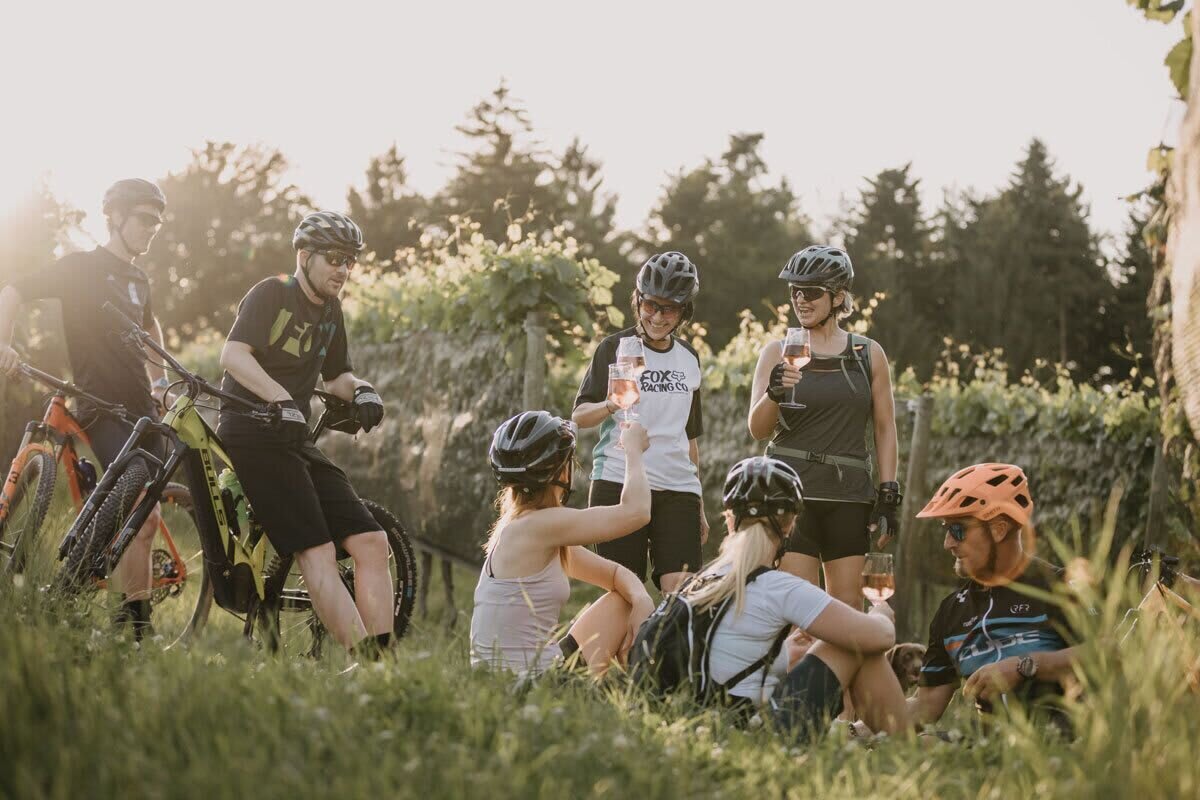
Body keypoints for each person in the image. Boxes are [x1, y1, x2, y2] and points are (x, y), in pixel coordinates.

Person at [0, 178, 171, 638]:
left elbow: (151, 327)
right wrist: (4, 342)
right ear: (115, 217)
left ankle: (126, 616)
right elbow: (13, 289)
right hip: (101, 404)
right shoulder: (81, 268)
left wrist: (161, 382)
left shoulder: (140, 279)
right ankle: (135, 624)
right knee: (140, 508)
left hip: (143, 410)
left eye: (157, 221)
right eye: (143, 219)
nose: (151, 228)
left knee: (148, 517)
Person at [217, 210, 392, 657]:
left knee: (373, 542)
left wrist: (364, 391)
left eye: (349, 261)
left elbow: (337, 377)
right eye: (334, 258)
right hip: (252, 433)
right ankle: (368, 665)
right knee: (317, 553)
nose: (343, 269)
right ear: (304, 255)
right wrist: (278, 398)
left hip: (294, 440)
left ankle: (385, 661)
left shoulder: (331, 312)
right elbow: (233, 354)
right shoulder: (272, 293)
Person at [688, 456, 907, 740]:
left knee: (844, 639)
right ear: (790, 526)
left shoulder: (702, 581)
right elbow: (880, 638)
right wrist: (880, 611)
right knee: (853, 642)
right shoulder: (780, 586)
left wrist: (785, 650)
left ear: (730, 521)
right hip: (758, 735)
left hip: (705, 728)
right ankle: (909, 744)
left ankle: (882, 737)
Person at [748, 245, 901, 610]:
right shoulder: (777, 351)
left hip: (848, 496)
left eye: (812, 291)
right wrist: (774, 392)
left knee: (848, 611)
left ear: (838, 296)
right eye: (795, 291)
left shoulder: (868, 354)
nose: (801, 299)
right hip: (790, 494)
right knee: (801, 612)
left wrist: (889, 493)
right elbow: (757, 429)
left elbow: (884, 428)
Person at [470, 411, 655, 677]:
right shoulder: (540, 527)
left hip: (515, 681)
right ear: (561, 472)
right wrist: (633, 450)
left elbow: (614, 575)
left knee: (625, 601)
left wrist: (640, 599)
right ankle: (638, 690)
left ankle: (629, 690)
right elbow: (637, 512)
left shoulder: (525, 528)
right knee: (624, 605)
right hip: (527, 685)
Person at [907, 463, 1083, 732]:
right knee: (926, 742)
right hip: (987, 747)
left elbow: (1108, 653)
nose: (947, 543)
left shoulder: (1058, 585)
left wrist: (1025, 666)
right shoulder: (951, 611)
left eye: (957, 530)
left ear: (999, 529)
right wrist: (861, 720)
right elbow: (924, 708)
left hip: (1058, 740)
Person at [572, 251, 707, 594]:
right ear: (638, 301)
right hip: (618, 481)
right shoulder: (614, 348)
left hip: (678, 488)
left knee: (682, 596)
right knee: (623, 596)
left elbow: (689, 439)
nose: (658, 317)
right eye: (650, 305)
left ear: (683, 312)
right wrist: (611, 403)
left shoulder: (689, 358)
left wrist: (699, 504)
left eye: (670, 309)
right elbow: (580, 416)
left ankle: (666, 650)